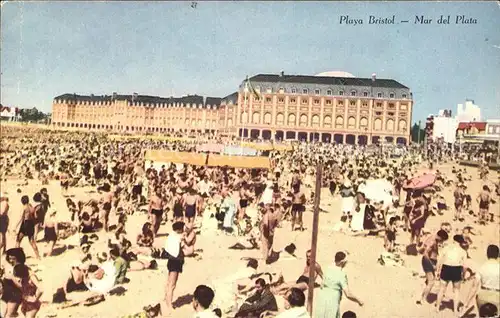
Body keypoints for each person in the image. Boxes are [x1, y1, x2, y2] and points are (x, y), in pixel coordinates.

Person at [314, 251, 363, 318]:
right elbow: (348, 294)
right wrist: (359, 300)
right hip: (333, 299)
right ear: (342, 262)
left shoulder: (329, 268)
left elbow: (323, 281)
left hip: (322, 297)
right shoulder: (341, 274)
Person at [434, 235, 468, 315]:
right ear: (461, 242)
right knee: (456, 291)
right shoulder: (463, 251)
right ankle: (455, 310)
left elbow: (439, 260)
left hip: (446, 267)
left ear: (453, 240)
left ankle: (437, 307)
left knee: (442, 289)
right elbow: (465, 266)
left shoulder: (446, 248)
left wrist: (438, 271)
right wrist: (463, 274)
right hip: (456, 268)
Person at [416, 228, 449, 305]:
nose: (442, 242)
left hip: (429, 261)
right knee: (431, 282)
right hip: (428, 261)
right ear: (440, 237)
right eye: (443, 240)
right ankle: (423, 299)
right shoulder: (432, 241)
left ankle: (421, 296)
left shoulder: (432, 237)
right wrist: (432, 264)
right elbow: (425, 254)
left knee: (428, 281)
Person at [161, 221, 186, 315]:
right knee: (172, 285)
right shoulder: (177, 238)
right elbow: (178, 250)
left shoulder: (172, 236)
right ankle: (169, 304)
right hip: (175, 262)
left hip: (172, 261)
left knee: (169, 283)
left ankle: (166, 299)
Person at [16, 196, 41, 260]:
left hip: (25, 224)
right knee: (32, 241)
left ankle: (17, 256)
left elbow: (21, 218)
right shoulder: (31, 207)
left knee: (18, 240)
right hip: (31, 224)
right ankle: (38, 256)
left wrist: (15, 226)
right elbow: (35, 216)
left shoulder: (24, 207)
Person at [0, 192, 9, 257]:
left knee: (3, 235)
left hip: (2, 220)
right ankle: (4, 250)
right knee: (3, 235)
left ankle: (3, 249)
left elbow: (2, 213)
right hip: (3, 219)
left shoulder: (4, 203)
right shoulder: (3, 203)